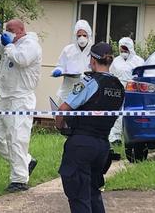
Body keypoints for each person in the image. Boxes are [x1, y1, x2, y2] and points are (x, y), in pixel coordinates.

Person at [55, 42, 125, 213]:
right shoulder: (119, 87)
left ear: (93, 60)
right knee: (94, 194)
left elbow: (63, 109)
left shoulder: (90, 82)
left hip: (81, 144)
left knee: (79, 194)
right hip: (102, 146)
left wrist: (60, 126)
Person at [0, 18, 42, 193]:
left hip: (21, 99)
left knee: (17, 138)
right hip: (4, 98)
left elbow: (22, 59)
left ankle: (19, 180)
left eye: (10, 29)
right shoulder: (10, 43)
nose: (7, 32)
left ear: (20, 30)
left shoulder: (31, 45)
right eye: (5, 29)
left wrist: (10, 45)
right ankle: (26, 161)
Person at [108, 37, 145, 145]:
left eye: (125, 50)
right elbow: (111, 74)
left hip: (133, 90)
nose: (123, 52)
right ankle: (115, 137)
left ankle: (135, 135)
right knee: (118, 113)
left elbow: (142, 76)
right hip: (118, 89)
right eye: (122, 50)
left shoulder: (139, 61)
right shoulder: (116, 61)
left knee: (133, 113)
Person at [52, 20, 93, 102]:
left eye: (84, 35)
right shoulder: (68, 50)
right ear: (75, 36)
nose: (82, 38)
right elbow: (61, 65)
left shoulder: (93, 50)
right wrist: (58, 70)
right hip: (69, 89)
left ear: (89, 35)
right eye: (79, 35)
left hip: (87, 90)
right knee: (64, 113)